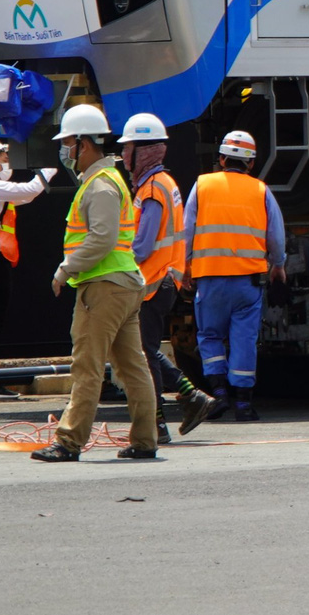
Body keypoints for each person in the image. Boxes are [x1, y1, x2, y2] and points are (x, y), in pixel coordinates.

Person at [33, 105, 161, 462]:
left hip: (103, 288)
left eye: (68, 142)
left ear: (83, 144)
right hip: (124, 285)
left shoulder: (100, 186)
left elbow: (101, 239)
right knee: (132, 366)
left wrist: (65, 269)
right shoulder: (109, 181)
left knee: (86, 366)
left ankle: (68, 442)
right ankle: (145, 440)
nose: (64, 149)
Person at [120, 113, 212, 439]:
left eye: (128, 147)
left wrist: (116, 260)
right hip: (163, 280)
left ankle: (157, 423)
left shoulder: (153, 188)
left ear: (142, 150)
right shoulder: (163, 183)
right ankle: (190, 396)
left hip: (152, 282)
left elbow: (143, 245)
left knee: (143, 353)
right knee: (146, 349)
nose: (124, 155)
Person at [186, 130, 287, 417]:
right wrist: (278, 265)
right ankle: (244, 404)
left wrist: (184, 267)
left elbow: (186, 229)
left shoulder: (202, 185)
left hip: (209, 278)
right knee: (244, 338)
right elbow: (276, 236)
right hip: (248, 281)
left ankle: (218, 395)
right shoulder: (260, 190)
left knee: (210, 335)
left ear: (220, 158)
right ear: (251, 163)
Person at [0, 137, 54, 399]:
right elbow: (29, 190)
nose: (8, 160)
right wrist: (49, 166)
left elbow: (22, 198)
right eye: (4, 156)